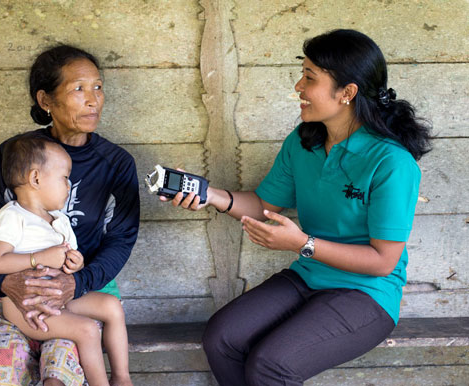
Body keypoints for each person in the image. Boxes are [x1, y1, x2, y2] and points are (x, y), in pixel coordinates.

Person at [163, 29, 432, 385]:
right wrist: (210, 195)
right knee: (222, 338)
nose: (298, 87)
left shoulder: (391, 163)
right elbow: (262, 205)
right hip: (309, 277)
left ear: (347, 93)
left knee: (272, 364)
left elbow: (383, 261)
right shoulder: (304, 142)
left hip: (367, 295)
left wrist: (302, 243)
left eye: (310, 78)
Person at [0, 45, 140, 386]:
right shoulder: (16, 155)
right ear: (45, 100)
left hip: (83, 288)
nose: (94, 99)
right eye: (79, 89)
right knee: (2, 369)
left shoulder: (116, 163)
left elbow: (121, 239)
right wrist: (6, 283)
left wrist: (76, 282)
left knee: (61, 371)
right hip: (16, 290)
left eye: (97, 86)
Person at [0, 132, 132, 386]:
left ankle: (122, 377)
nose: (69, 186)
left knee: (112, 306)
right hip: (26, 305)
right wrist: (39, 258)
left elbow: (70, 264)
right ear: (35, 178)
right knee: (86, 330)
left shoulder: (59, 219)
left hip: (59, 297)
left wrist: (75, 263)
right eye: (65, 178)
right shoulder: (11, 217)